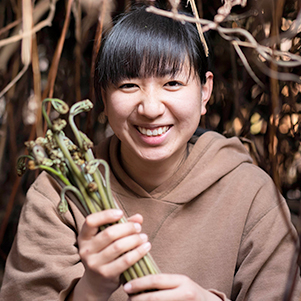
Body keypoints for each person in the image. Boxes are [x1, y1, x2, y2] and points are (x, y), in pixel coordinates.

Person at [1, 5, 301, 301]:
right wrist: (91, 290)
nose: (151, 108)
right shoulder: (61, 193)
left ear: (204, 92)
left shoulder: (251, 194)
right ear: (104, 96)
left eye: (172, 83)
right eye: (129, 85)